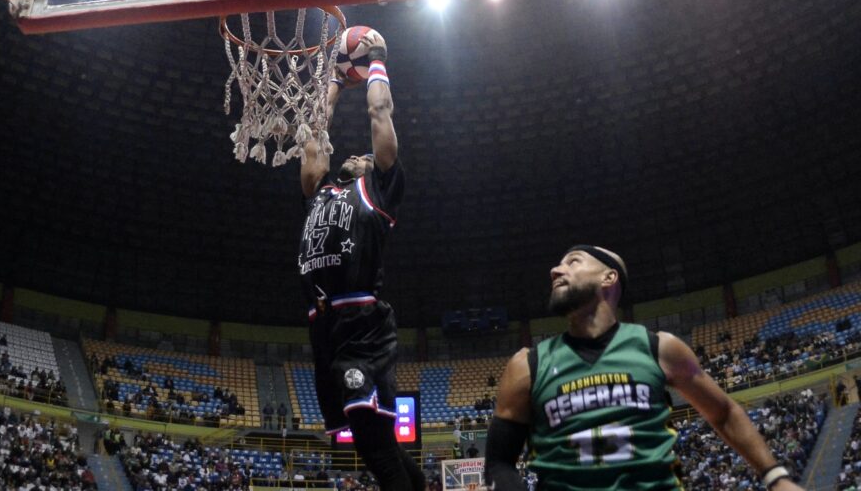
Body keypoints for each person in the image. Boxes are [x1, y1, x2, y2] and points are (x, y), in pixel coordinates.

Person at [485, 245, 806, 491]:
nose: (556, 270)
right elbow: (499, 463)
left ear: (608, 277)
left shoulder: (659, 348)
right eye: (559, 264)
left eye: (573, 261)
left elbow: (724, 412)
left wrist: (775, 476)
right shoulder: (528, 365)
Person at [298, 29, 421, 491]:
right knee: (384, 451)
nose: (357, 155)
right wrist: (332, 79)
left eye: (366, 156)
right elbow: (313, 135)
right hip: (324, 329)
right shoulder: (320, 193)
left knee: (375, 449)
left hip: (360, 326)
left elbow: (379, 112)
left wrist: (375, 62)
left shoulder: (379, 192)